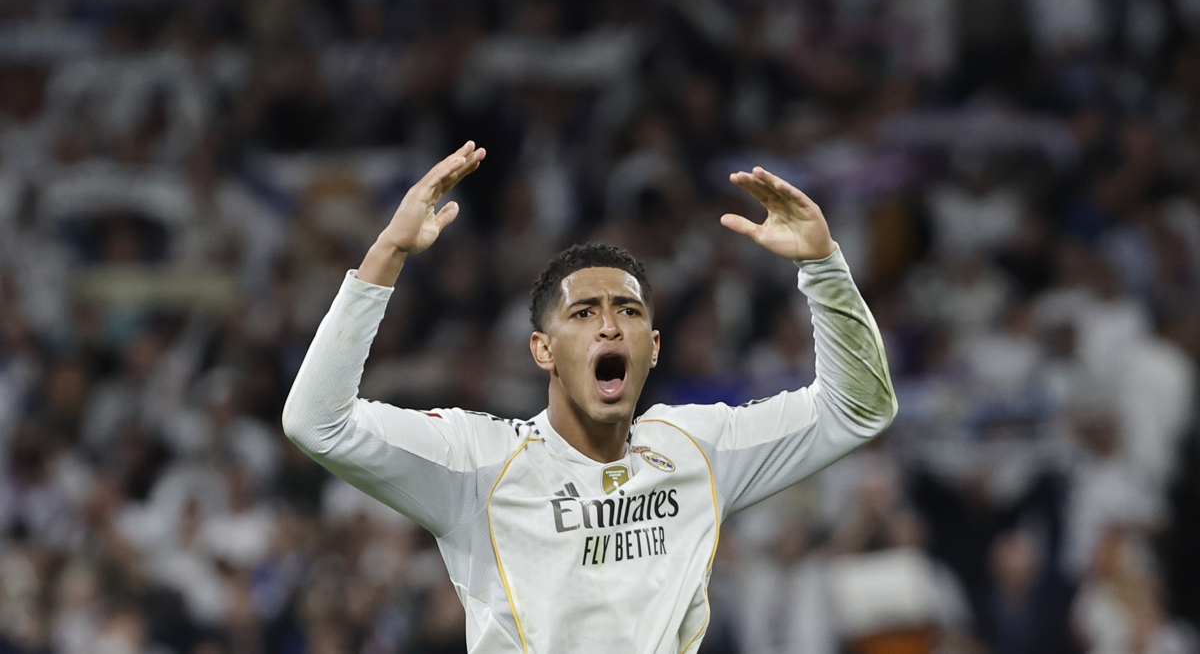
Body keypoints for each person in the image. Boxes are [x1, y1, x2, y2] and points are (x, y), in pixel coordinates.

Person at [282, 140, 897, 653]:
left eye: (627, 311)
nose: (609, 326)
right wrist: (386, 255)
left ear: (652, 346)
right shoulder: (479, 462)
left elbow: (858, 408)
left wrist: (823, 267)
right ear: (542, 351)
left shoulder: (699, 450)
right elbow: (317, 423)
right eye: (584, 312)